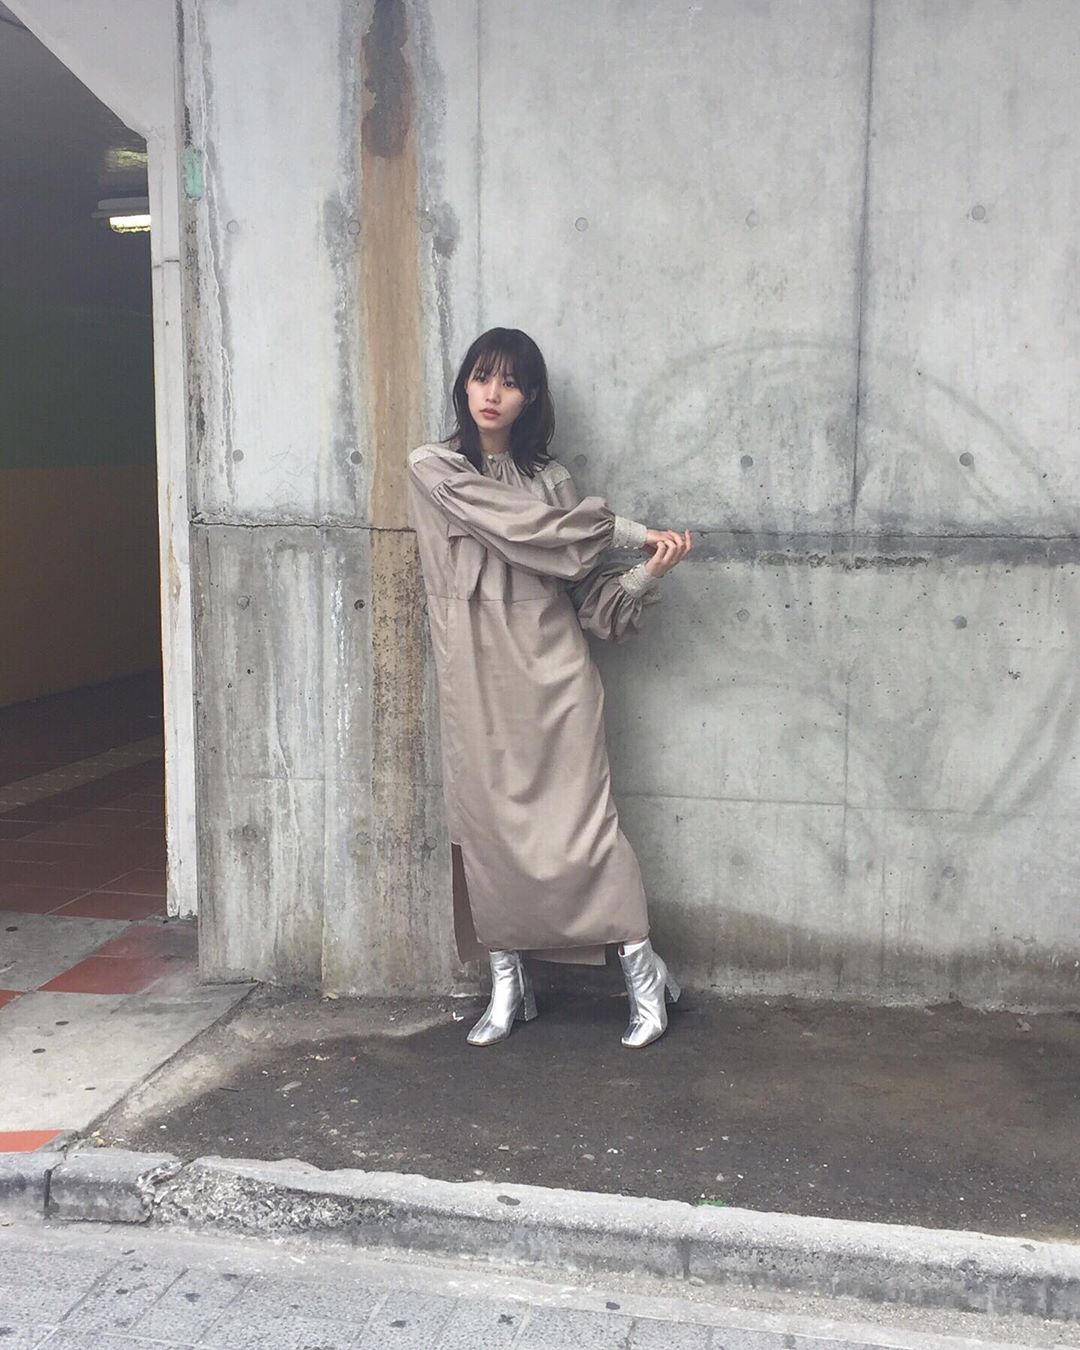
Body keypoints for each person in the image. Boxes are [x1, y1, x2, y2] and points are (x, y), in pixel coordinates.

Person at [406, 328, 692, 1049]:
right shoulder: (434, 467)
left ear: (530, 396)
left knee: (586, 829)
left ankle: (643, 972)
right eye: (481, 377)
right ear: (463, 385)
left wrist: (647, 572)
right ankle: (509, 985)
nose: (492, 394)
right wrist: (626, 530)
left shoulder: (554, 481)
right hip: (475, 678)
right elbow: (528, 528)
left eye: (509, 382)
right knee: (487, 831)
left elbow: (592, 603)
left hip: (556, 673)